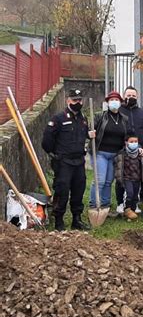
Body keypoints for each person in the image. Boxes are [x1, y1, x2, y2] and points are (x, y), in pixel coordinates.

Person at [42, 89, 92, 231]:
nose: (78, 102)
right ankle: (59, 221)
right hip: (64, 162)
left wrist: (89, 135)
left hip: (79, 162)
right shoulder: (58, 118)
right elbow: (46, 141)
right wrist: (55, 155)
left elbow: (83, 135)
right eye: (74, 100)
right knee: (62, 191)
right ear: (68, 100)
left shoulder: (83, 119)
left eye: (80, 100)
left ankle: (76, 219)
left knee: (78, 191)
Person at [116, 86, 143, 213]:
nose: (131, 97)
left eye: (133, 95)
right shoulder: (119, 111)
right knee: (121, 176)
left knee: (137, 177)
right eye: (128, 95)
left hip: (138, 150)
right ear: (124, 96)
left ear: (137, 97)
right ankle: (120, 202)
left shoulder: (142, 113)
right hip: (122, 150)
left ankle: (134, 203)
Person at [90, 91, 129, 211]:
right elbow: (89, 130)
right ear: (107, 103)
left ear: (120, 102)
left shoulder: (124, 119)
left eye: (116, 100)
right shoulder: (99, 116)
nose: (114, 102)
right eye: (111, 100)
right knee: (100, 180)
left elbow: (127, 136)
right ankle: (94, 204)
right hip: (100, 153)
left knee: (108, 181)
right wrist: (90, 133)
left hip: (115, 155)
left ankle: (105, 205)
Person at [114, 134, 143, 221]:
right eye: (131, 142)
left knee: (135, 196)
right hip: (127, 178)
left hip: (137, 178)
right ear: (126, 142)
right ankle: (127, 209)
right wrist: (119, 178)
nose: (134, 143)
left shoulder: (140, 154)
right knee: (129, 193)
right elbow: (118, 166)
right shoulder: (122, 154)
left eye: (135, 142)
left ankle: (132, 211)